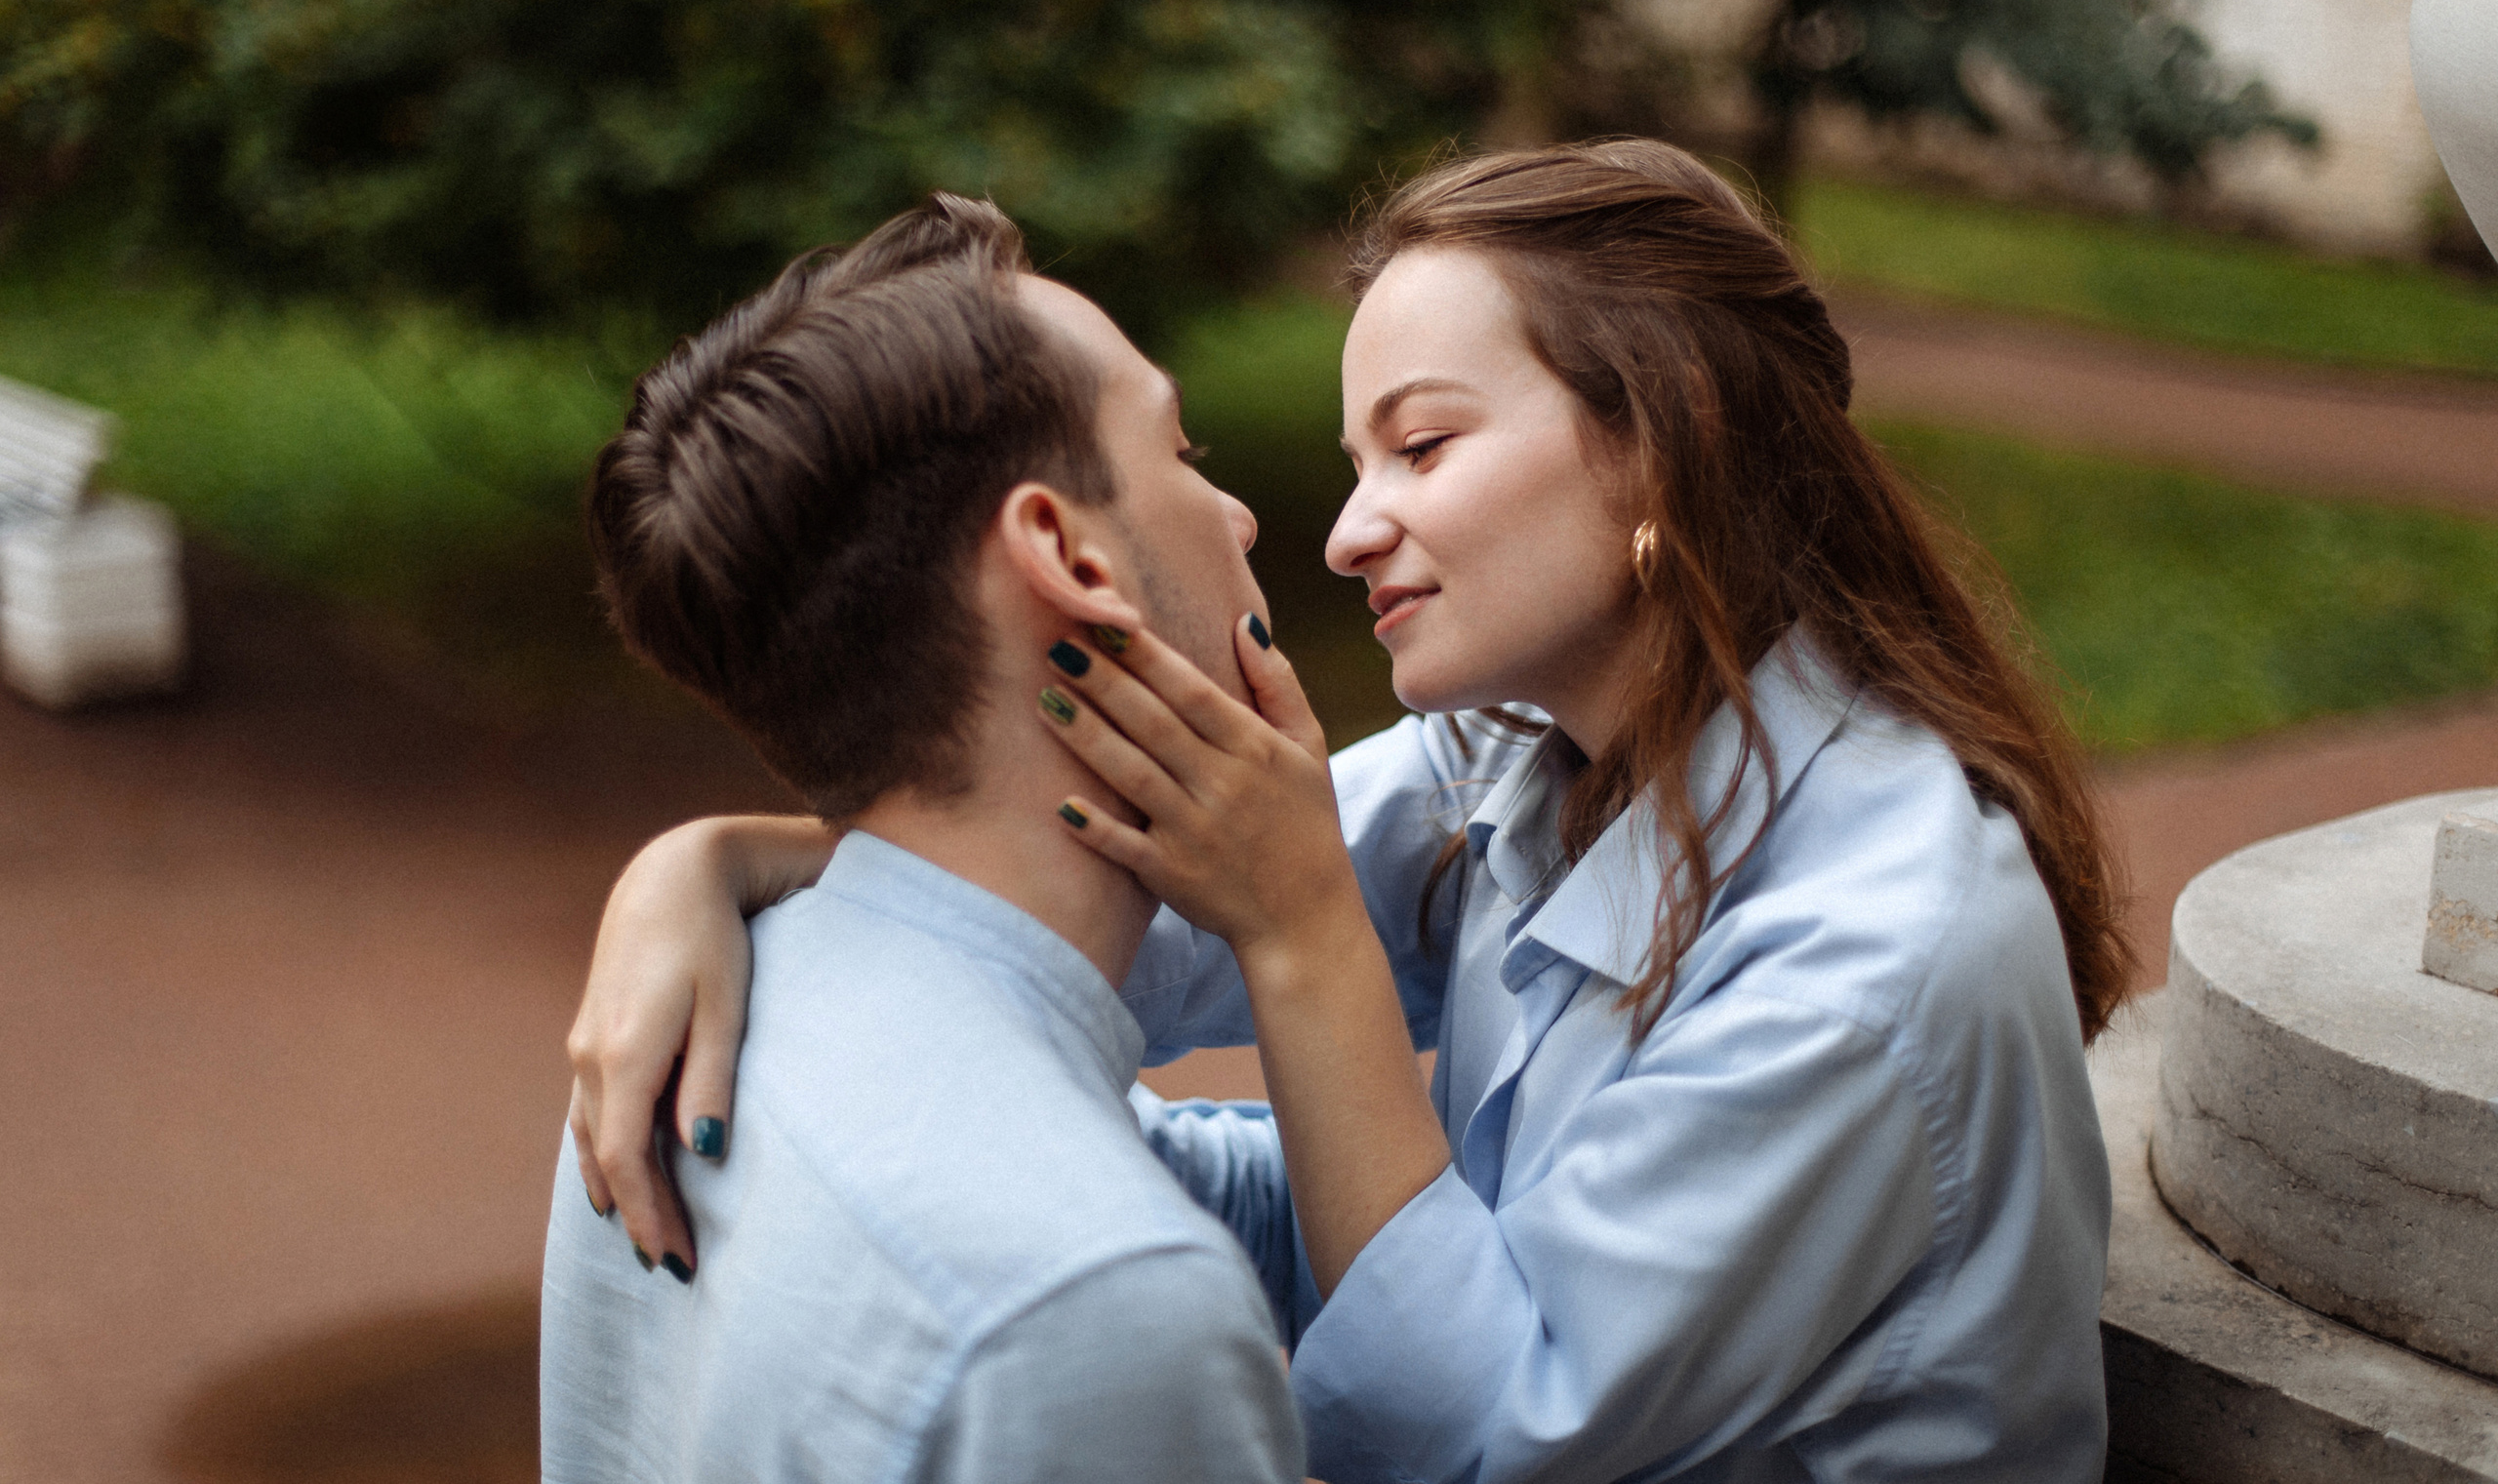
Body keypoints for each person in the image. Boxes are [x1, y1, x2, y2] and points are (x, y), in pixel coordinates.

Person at [567, 140, 2134, 1482]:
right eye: (1348, 457)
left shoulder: (1876, 952)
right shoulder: (1521, 753)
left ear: (1661, 444)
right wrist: (714, 864)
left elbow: (1482, 1431)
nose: (1336, 535)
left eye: (1423, 445)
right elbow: (1113, 904)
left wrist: (1306, 921)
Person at [540, 193, 1309, 1483]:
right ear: (1069, 555)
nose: (1239, 515)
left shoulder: (676, 1040)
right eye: (1187, 450)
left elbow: (1264, 1201)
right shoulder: (1098, 1303)